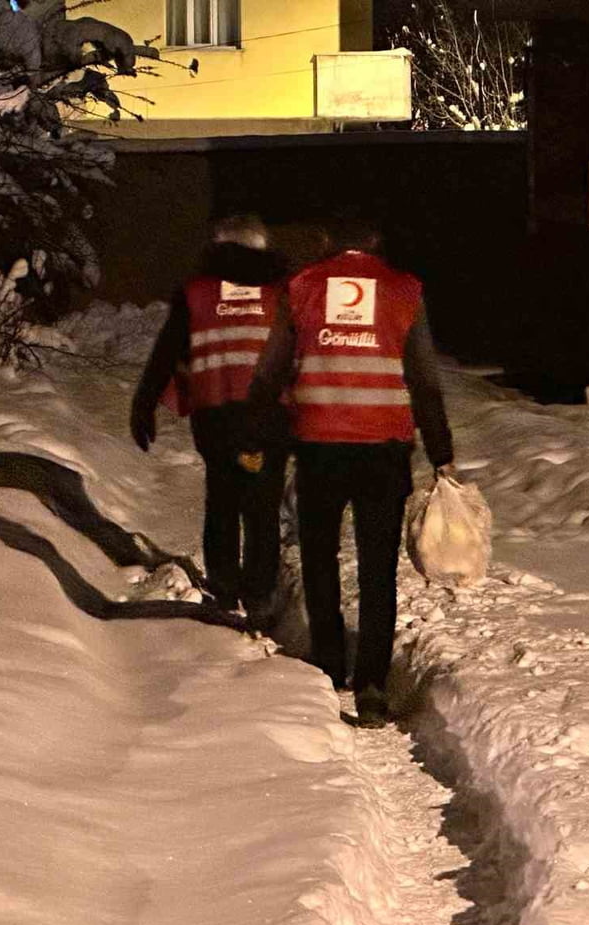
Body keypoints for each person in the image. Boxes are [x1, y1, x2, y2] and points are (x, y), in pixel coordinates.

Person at [247, 220, 454, 728]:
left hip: (318, 445)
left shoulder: (303, 286)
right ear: (376, 243)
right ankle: (374, 686)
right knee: (378, 567)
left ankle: (329, 660)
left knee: (319, 555)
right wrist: (441, 451)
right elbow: (424, 379)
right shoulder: (405, 290)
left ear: (324, 241)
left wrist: (256, 435)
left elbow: (271, 371)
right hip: (384, 449)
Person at [130, 215, 290, 627]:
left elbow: (167, 351)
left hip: (215, 413)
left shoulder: (196, 293)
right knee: (263, 507)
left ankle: (224, 589)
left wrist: (145, 403)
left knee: (222, 500)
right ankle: (260, 596)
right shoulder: (283, 294)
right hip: (270, 415)